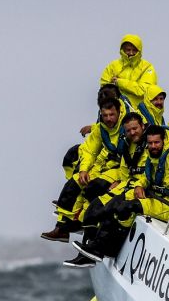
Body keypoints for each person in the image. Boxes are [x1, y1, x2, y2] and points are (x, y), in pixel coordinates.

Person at [68, 125, 169, 265]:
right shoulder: (153, 156)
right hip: (162, 201)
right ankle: (96, 247)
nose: (153, 146)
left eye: (157, 143)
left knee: (128, 208)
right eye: (150, 143)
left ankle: (111, 249)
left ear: (164, 142)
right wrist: (138, 185)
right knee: (114, 205)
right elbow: (147, 178)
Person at [41, 98, 124, 242]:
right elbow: (90, 151)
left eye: (112, 115)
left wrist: (120, 181)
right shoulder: (100, 129)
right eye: (105, 116)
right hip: (103, 167)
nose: (109, 119)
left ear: (119, 113)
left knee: (93, 188)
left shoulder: (126, 128)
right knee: (73, 183)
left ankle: (80, 223)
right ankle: (61, 229)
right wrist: (83, 170)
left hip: (120, 170)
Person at [99, 34, 157, 109]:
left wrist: (119, 82)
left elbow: (145, 90)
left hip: (138, 112)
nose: (131, 53)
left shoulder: (147, 67)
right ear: (123, 50)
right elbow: (104, 88)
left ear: (139, 50)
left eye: (134, 50)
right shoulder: (113, 66)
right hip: (115, 111)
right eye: (128, 50)